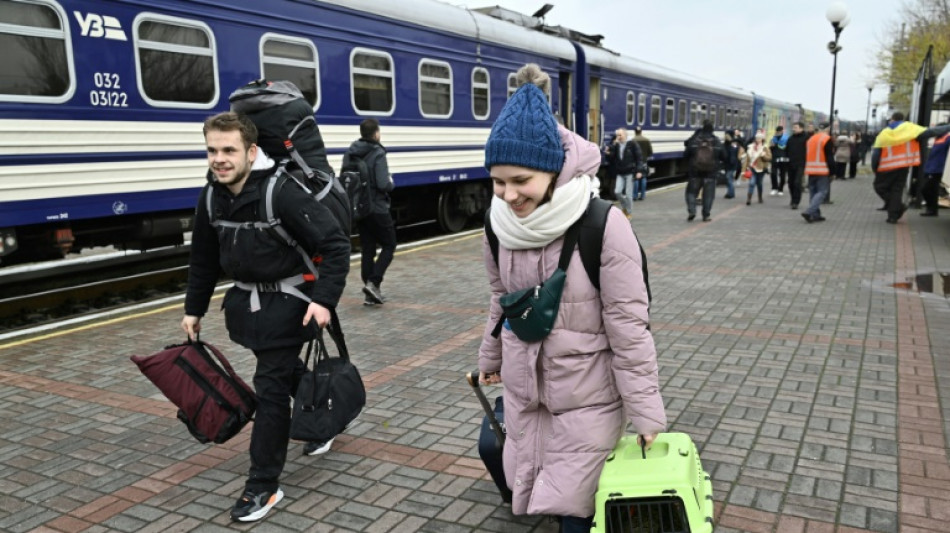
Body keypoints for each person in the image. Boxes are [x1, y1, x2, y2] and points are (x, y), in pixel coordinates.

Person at [477, 78, 666, 533]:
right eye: (498, 182)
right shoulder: (499, 224)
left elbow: (628, 328)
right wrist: (491, 355)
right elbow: (500, 298)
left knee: (577, 514)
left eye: (521, 181)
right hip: (527, 391)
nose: (508, 195)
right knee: (529, 478)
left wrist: (644, 412)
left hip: (588, 398)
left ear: (554, 171)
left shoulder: (604, 225)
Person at [182, 112, 350, 521]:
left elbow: (335, 244)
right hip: (248, 310)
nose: (218, 159)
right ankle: (327, 418)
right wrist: (194, 308)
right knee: (281, 371)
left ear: (251, 152)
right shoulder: (211, 195)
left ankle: (263, 485)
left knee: (270, 389)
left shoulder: (282, 191)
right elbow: (203, 258)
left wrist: (323, 301)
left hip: (291, 306)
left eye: (228, 150)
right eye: (212, 150)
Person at [342, 118, 396, 305]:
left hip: (360, 208)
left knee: (368, 249)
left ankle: (370, 294)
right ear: (376, 133)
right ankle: (374, 283)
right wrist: (391, 182)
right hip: (378, 208)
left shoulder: (351, 152)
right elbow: (383, 184)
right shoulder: (378, 152)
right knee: (389, 245)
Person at [871, 112, 950, 223]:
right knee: (896, 190)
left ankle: (898, 207)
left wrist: (875, 168)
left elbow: (876, 153)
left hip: (887, 167)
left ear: (892, 120)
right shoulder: (910, 128)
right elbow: (932, 131)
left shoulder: (885, 132)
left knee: (879, 187)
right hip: (904, 166)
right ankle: (893, 216)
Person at [684, 120, 724, 221]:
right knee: (708, 195)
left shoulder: (694, 140)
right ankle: (706, 215)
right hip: (711, 173)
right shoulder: (716, 141)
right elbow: (724, 156)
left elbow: (685, 155)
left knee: (691, 193)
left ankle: (692, 211)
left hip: (695, 172)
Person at [801, 122, 835, 222]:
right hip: (822, 170)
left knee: (813, 192)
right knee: (822, 192)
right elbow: (830, 157)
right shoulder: (826, 139)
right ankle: (809, 211)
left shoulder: (811, 139)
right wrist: (833, 172)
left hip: (811, 170)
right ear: (827, 128)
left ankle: (815, 215)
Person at [611, 127, 644, 216]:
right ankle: (625, 206)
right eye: (617, 135)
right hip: (620, 172)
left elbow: (639, 158)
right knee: (617, 192)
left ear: (625, 135)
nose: (618, 137)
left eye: (620, 135)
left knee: (629, 194)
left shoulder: (632, 144)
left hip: (630, 172)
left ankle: (628, 213)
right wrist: (614, 145)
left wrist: (639, 170)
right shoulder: (616, 145)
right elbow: (612, 157)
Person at [920, 125, 950, 216]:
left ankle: (932, 209)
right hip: (931, 168)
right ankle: (932, 210)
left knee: (926, 189)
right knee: (933, 190)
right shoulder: (938, 138)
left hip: (937, 169)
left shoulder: (946, 138)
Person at [743, 132, 771, 205]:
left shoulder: (765, 147)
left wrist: (763, 155)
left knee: (759, 183)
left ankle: (760, 197)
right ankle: (749, 199)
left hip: (761, 169)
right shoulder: (750, 147)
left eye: (759, 138)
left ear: (762, 139)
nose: (758, 139)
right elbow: (747, 159)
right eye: (757, 138)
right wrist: (744, 169)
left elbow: (769, 158)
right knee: (752, 183)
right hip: (752, 168)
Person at [785, 122, 808, 210]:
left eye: (795, 127)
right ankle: (792, 198)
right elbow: (787, 150)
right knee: (790, 183)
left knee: (797, 183)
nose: (793, 129)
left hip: (801, 164)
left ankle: (796, 202)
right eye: (793, 127)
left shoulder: (806, 138)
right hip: (790, 164)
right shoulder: (791, 139)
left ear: (801, 128)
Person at [632, 126, 653, 201]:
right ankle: (643, 195)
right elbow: (650, 152)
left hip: (635, 162)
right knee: (643, 177)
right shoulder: (646, 140)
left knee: (635, 179)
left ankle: (635, 196)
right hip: (644, 161)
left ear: (635, 132)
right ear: (641, 132)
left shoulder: (632, 140)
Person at [722, 130, 743, 199]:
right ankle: (730, 192)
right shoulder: (726, 143)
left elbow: (734, 152)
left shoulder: (733, 143)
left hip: (731, 164)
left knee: (729, 178)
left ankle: (731, 193)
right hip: (727, 164)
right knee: (729, 178)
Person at [769, 126, 789, 196]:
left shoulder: (786, 139)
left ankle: (781, 189)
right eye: (777, 132)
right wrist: (771, 146)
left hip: (783, 159)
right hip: (775, 158)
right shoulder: (773, 139)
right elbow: (770, 149)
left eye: (779, 131)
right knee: (773, 173)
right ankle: (774, 188)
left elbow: (788, 149)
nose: (777, 133)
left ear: (782, 131)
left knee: (782, 175)